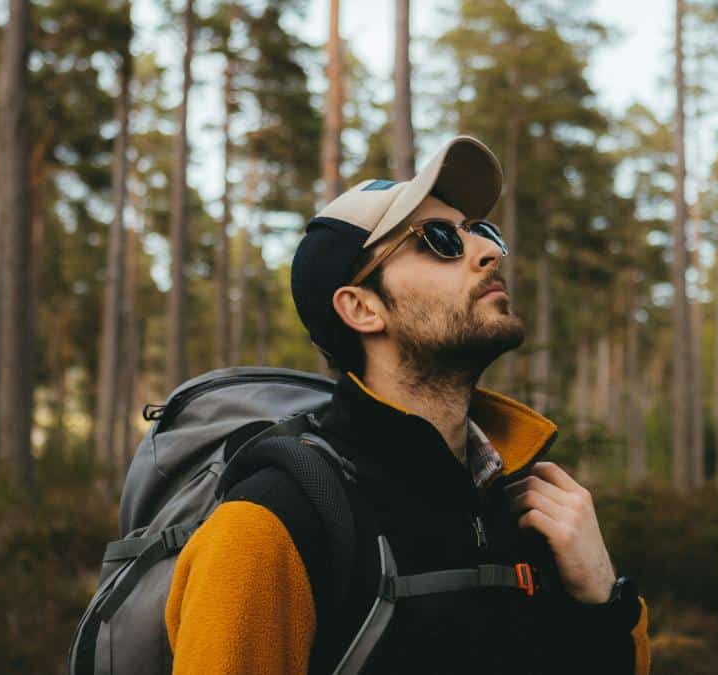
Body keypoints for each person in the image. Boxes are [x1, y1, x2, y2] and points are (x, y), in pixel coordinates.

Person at [164, 136, 651, 674]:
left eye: (479, 231)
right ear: (363, 308)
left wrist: (605, 603)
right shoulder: (268, 527)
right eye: (439, 239)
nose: (487, 252)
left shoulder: (528, 506)